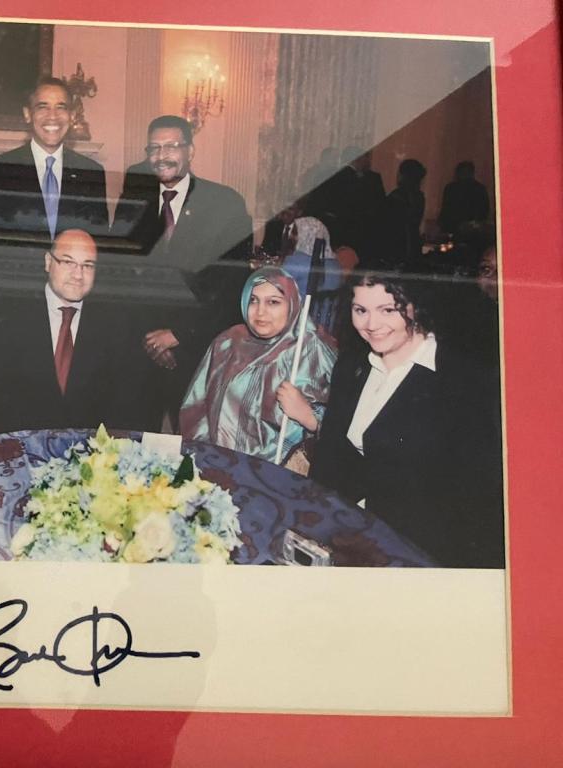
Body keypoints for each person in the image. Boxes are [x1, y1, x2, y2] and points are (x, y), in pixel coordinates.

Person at [310, 272, 504, 568]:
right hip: (348, 536)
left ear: (414, 306)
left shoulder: (465, 381)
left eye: (388, 310)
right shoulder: (352, 365)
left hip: (421, 551)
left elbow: (477, 498)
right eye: (360, 310)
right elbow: (332, 454)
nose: (372, 325)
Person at [113, 115, 253, 428]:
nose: (162, 155)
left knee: (191, 450)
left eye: (172, 146)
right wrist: (150, 341)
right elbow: (120, 275)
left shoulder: (225, 204)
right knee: (134, 445)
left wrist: (178, 336)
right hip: (141, 350)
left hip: (197, 351)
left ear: (190, 150)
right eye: (154, 148)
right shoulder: (132, 202)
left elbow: (230, 287)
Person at [0, 229, 146, 434]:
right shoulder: (7, 322)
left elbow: (126, 407)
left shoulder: (118, 328)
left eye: (88, 265)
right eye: (68, 262)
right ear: (48, 262)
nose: (78, 275)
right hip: (23, 454)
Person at [179, 267, 337, 463]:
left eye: (273, 302)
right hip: (217, 460)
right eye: (253, 300)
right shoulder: (228, 341)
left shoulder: (310, 348)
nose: (260, 312)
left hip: (277, 470)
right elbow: (197, 406)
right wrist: (203, 455)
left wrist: (310, 416)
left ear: (292, 304)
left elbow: (342, 424)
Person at [0, 77, 109, 251]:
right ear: (27, 114)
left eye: (61, 107)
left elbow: (98, 241)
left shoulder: (91, 172)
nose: (52, 116)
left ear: (72, 116)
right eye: (43, 107)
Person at [382, 158, 427, 269]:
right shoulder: (419, 196)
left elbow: (388, 223)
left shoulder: (396, 196)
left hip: (396, 245)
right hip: (414, 242)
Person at [437, 160, 490, 237]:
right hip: (465, 229)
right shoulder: (479, 189)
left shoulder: (451, 188)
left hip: (463, 229)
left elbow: (446, 209)